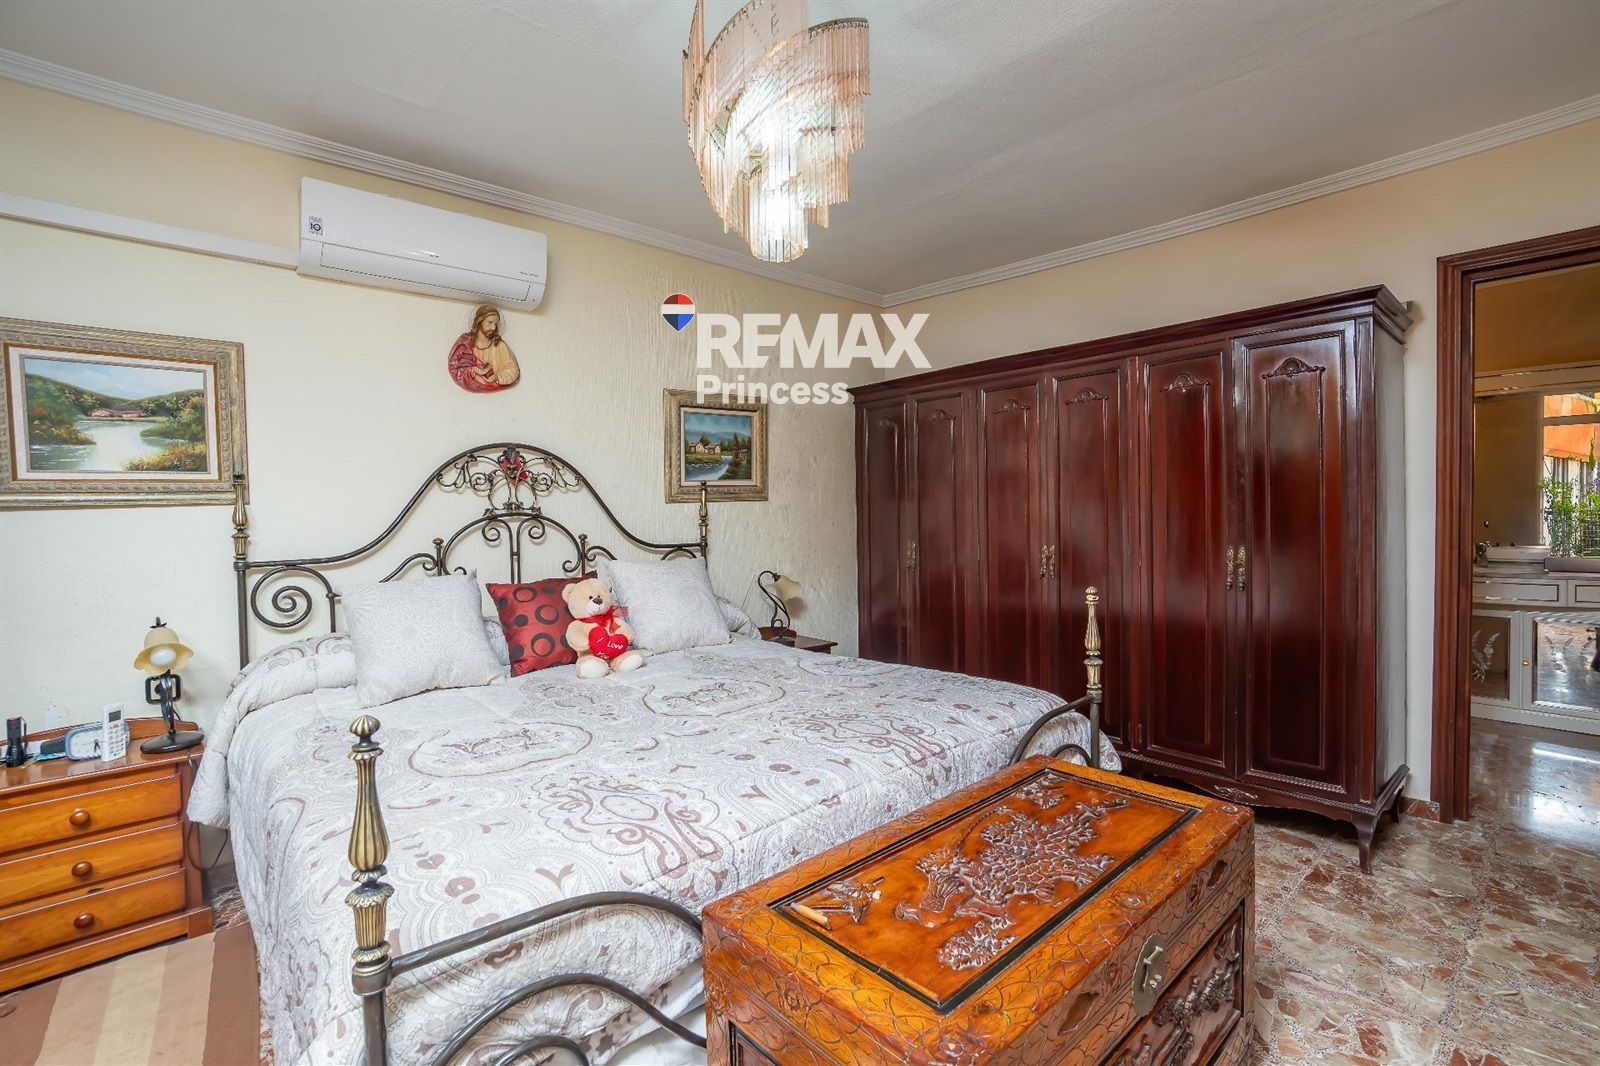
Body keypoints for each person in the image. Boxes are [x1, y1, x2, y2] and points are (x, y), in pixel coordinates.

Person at [448, 305, 520, 391]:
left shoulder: (499, 345)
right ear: (479, 321)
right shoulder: (465, 343)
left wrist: (497, 377)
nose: (493, 328)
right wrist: (472, 371)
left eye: (495, 324)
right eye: (490, 322)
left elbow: (513, 370)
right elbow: (456, 368)